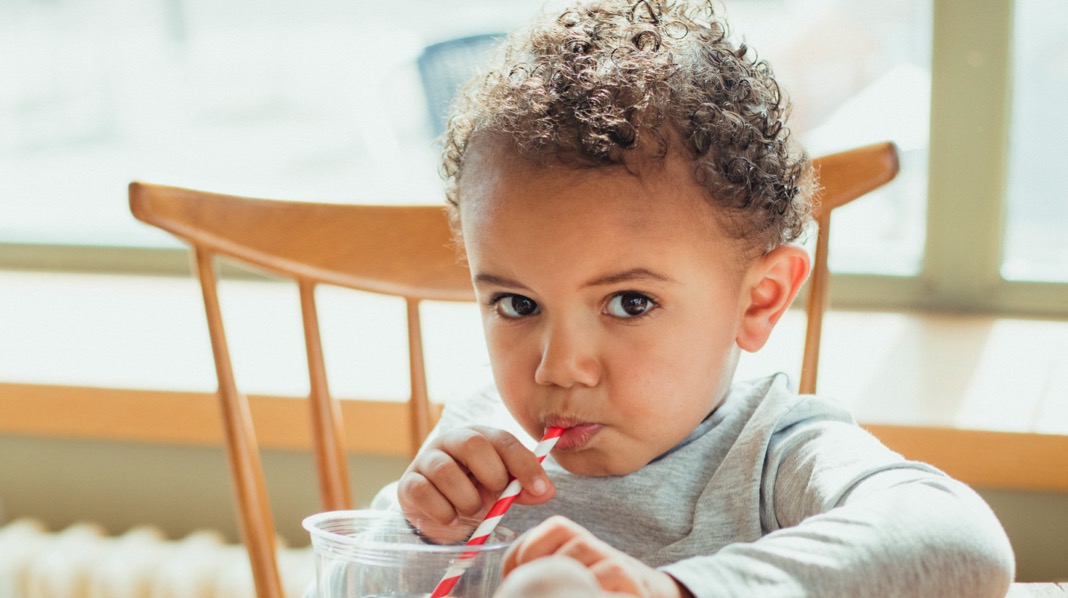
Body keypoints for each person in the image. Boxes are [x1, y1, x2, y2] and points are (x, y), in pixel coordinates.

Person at [373, 1, 1016, 595]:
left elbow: (961, 542)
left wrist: (676, 590)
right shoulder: (476, 455)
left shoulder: (772, 453)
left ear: (758, 301)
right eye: (518, 304)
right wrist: (422, 537)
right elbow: (353, 576)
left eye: (629, 303)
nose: (559, 367)